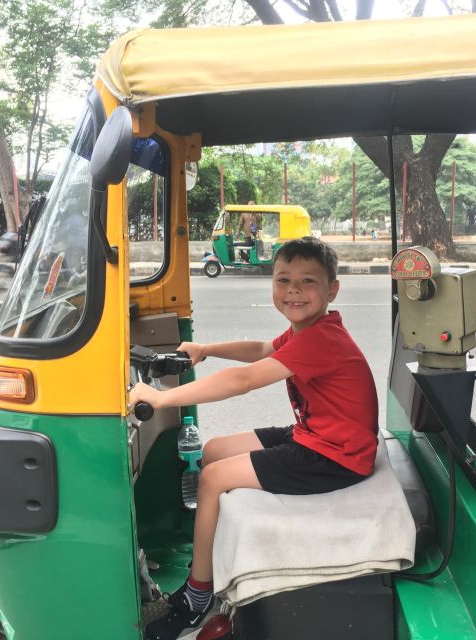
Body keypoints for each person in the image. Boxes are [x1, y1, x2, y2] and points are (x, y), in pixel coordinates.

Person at [128, 236, 379, 640]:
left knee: (211, 478)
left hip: (336, 457)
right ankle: (214, 554)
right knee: (213, 451)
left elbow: (245, 380)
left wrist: (162, 398)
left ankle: (197, 594)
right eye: (283, 280)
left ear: (333, 288)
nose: (294, 290)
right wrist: (205, 349)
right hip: (315, 435)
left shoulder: (321, 339)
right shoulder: (309, 330)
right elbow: (262, 349)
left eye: (308, 281)